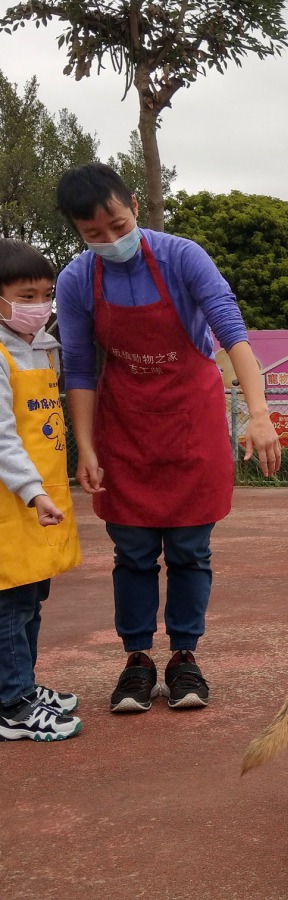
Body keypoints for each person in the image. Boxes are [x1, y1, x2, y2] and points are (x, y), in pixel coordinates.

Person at [54, 163, 281, 714]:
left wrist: (259, 412)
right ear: (77, 234)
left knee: (188, 549)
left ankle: (184, 658)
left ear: (133, 204)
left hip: (191, 416)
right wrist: (85, 447)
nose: (110, 240)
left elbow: (231, 331)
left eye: (118, 223)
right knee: (131, 551)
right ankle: (136, 660)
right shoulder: (77, 280)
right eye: (93, 235)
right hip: (125, 422)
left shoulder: (182, 256)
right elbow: (80, 368)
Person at [0, 238, 83, 741]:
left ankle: (23, 685)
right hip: (13, 503)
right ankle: (12, 705)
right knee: (10, 602)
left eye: (45, 294)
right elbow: (3, 436)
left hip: (39, 496)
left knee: (33, 596)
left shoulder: (41, 349)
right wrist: (33, 492)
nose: (39, 306)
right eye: (26, 295)